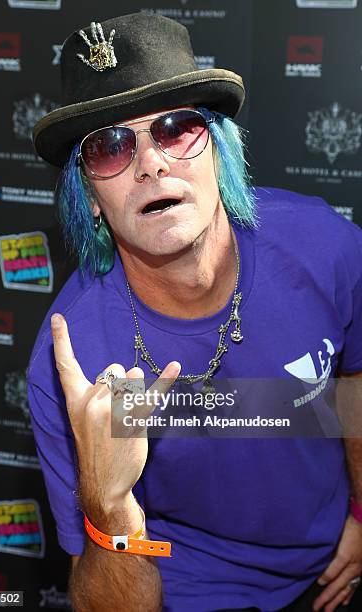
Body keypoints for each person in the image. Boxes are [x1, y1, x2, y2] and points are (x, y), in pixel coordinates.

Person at [27, 12, 362, 612]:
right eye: (110, 147)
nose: (151, 164)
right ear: (92, 200)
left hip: (328, 564)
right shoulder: (71, 359)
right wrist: (109, 505)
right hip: (180, 587)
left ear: (220, 154)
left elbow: (356, 379)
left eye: (177, 129)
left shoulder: (325, 245)